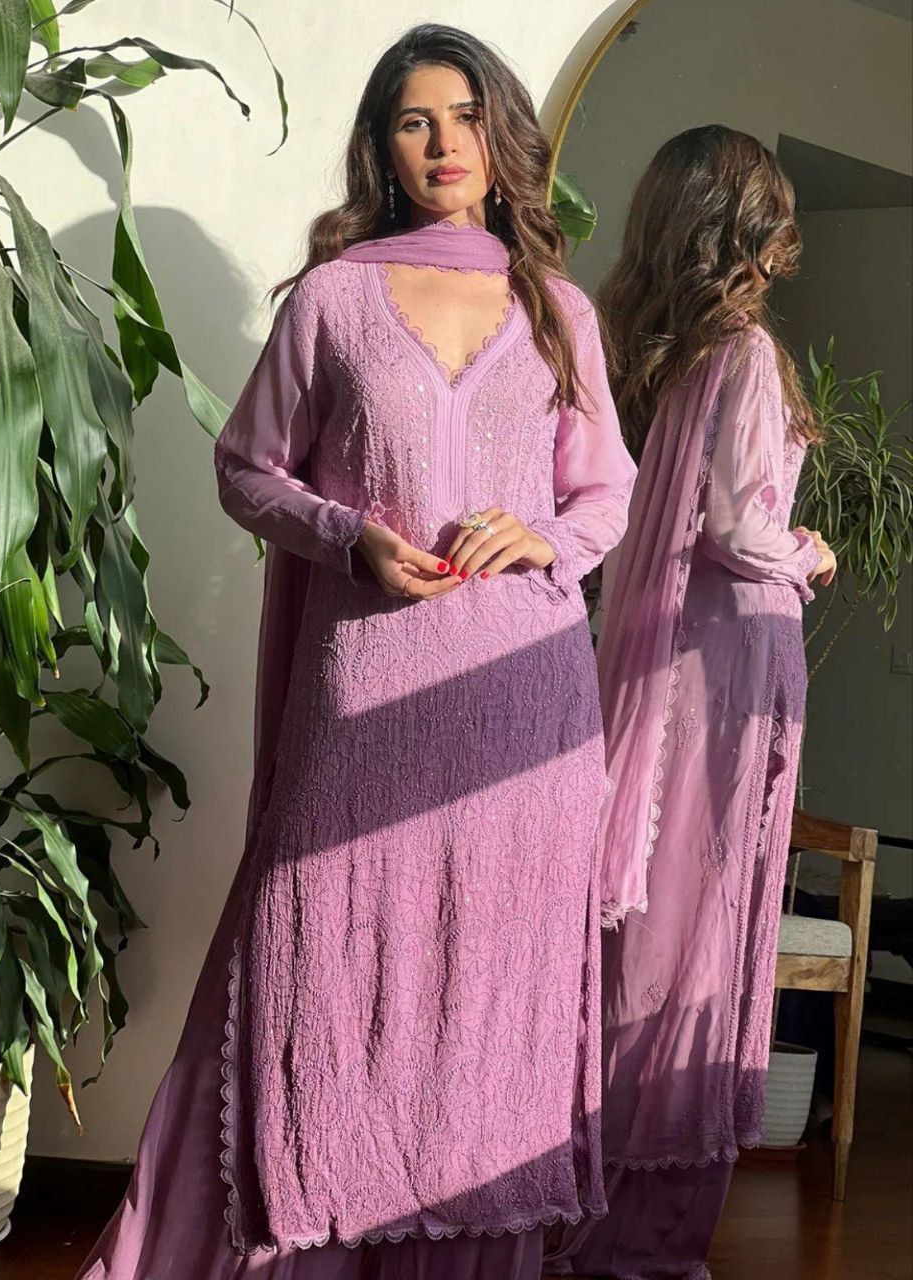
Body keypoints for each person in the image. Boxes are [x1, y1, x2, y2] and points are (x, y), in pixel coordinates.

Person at [74, 23, 637, 1280]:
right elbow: (246, 467)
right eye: (413, 121)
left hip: (523, 708)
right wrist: (348, 535)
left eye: (465, 116)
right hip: (369, 684)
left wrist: (542, 535)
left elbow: (606, 494)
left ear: (501, 134)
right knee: (325, 966)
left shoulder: (558, 311)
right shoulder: (334, 298)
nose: (444, 144)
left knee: (488, 994)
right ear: (383, 146)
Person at [542, 125, 836, 1280]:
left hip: (670, 671)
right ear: (748, 230)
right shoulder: (743, 353)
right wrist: (807, 551)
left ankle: (591, 1215)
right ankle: (647, 1240)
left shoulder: (647, 355)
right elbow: (737, 526)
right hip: (727, 669)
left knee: (649, 937)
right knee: (699, 940)